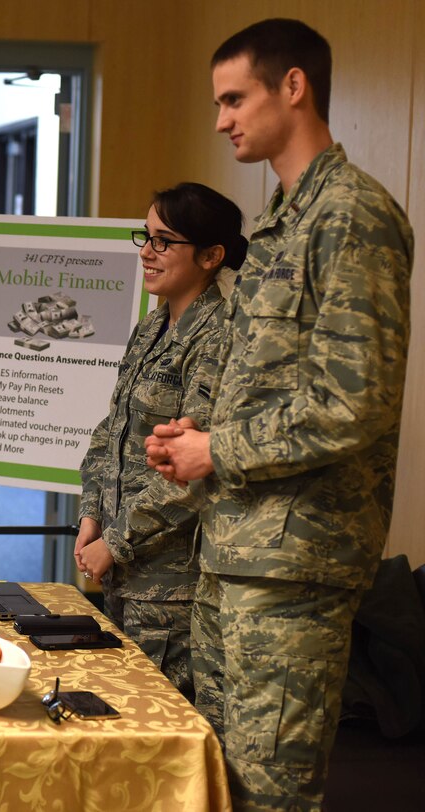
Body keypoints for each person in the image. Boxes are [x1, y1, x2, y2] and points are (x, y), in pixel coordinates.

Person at [145, 18, 414, 812]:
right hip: (235, 552)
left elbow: (351, 403)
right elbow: (270, 382)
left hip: (294, 567)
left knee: (273, 794)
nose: (222, 119)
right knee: (220, 787)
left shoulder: (352, 216)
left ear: (293, 87)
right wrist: (197, 436)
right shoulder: (277, 222)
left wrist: (216, 450)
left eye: (235, 98)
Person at [75, 182, 247, 701]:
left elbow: (191, 472)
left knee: (150, 727)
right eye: (145, 237)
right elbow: (112, 432)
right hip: (123, 571)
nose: (147, 253)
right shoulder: (152, 328)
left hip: (171, 587)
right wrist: (91, 518)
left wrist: (115, 541)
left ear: (211, 256)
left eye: (164, 241)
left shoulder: (218, 338)